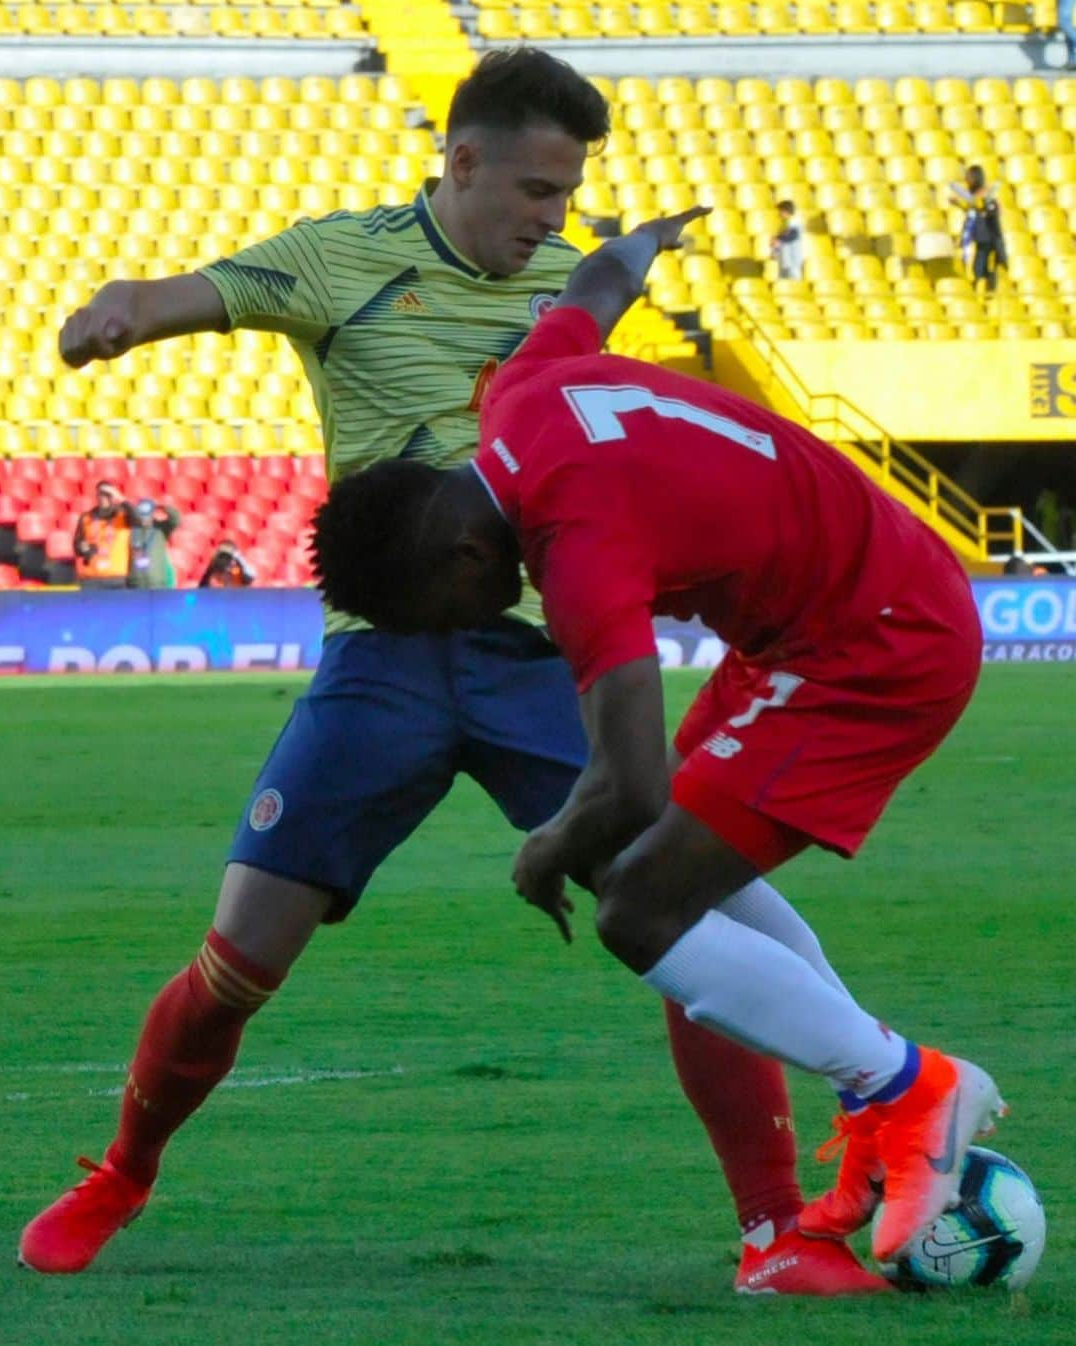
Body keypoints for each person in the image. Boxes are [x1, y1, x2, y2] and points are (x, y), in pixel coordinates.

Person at [21, 54, 877, 1295]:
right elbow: (185, 293)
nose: (553, 215)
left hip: (544, 653)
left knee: (673, 905)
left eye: (570, 193)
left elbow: (603, 317)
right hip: (386, 659)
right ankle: (124, 1167)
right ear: (462, 162)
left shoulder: (565, 293)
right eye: (537, 187)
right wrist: (119, 315)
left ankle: (775, 1231)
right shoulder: (342, 258)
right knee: (240, 957)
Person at [310, 215, 1008, 1269]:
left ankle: (913, 1088)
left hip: (871, 643)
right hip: (816, 618)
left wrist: (541, 850)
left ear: (461, 547)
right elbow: (597, 284)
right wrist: (650, 239)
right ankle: (880, 1102)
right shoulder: (520, 394)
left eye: (445, 608)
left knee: (638, 906)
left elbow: (629, 783)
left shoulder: (575, 550)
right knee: (687, 885)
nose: (469, 623)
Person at [949, 166, 1005, 294]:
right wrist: (958, 203)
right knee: (974, 267)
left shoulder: (986, 196)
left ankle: (985, 290)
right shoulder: (974, 197)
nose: (967, 180)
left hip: (986, 238)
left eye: (969, 177)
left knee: (981, 268)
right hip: (977, 237)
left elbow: (995, 210)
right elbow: (971, 209)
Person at [72, 480, 134, 588]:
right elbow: (77, 545)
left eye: (107, 494)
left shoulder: (123, 516)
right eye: (100, 494)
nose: (103, 497)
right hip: (91, 577)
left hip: (116, 578)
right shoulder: (86, 517)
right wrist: (82, 547)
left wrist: (121, 499)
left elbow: (138, 519)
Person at [126, 498, 180, 590]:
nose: (143, 519)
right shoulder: (131, 530)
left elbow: (175, 520)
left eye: (146, 515)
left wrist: (162, 507)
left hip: (157, 583)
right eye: (141, 515)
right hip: (136, 584)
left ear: (152, 514)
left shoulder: (161, 529)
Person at [769, 200, 804, 280]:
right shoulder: (782, 225)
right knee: (782, 287)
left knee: (795, 285)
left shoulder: (795, 221)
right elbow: (779, 241)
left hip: (793, 261)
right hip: (783, 261)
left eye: (780, 211)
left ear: (786, 211)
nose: (779, 214)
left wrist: (777, 238)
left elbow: (793, 235)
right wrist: (774, 251)